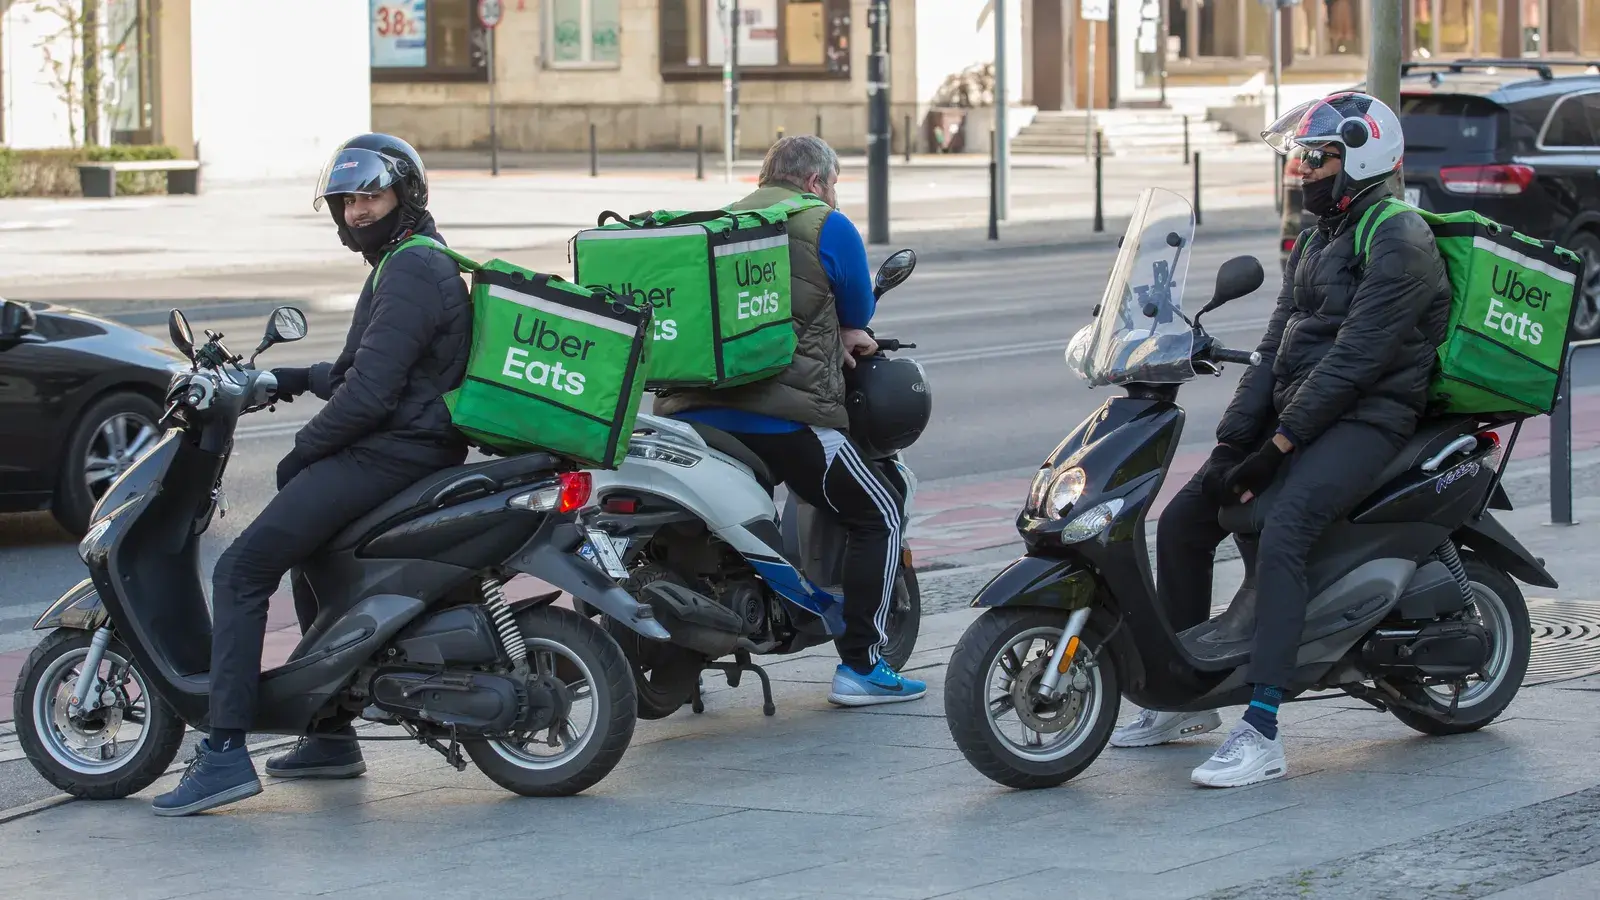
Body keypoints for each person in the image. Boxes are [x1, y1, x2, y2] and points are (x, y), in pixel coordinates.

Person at [1114, 92, 1452, 787]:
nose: (1302, 171)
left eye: (1316, 158)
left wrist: (1279, 450)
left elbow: (1356, 360)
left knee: (1286, 527)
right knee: (1184, 519)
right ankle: (1185, 699)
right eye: (1299, 157)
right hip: (1310, 412)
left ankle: (1263, 727)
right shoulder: (1321, 238)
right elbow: (1276, 350)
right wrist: (1233, 446)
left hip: (1372, 416)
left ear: (1361, 158)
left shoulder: (1398, 237)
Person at [153, 133, 472, 816]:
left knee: (240, 572)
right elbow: (372, 368)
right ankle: (329, 735)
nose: (357, 211)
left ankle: (225, 753)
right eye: (347, 200)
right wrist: (293, 376)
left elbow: (372, 395)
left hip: (394, 451)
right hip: (408, 442)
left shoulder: (413, 269)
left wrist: (303, 451)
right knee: (309, 561)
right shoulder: (403, 260)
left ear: (404, 197)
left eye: (370, 197)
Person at [652, 135, 925, 706]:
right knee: (880, 510)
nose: (833, 196)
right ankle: (863, 668)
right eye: (834, 186)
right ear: (815, 183)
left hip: (691, 417)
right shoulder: (827, 225)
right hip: (785, 420)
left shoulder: (720, 225)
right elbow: (858, 311)